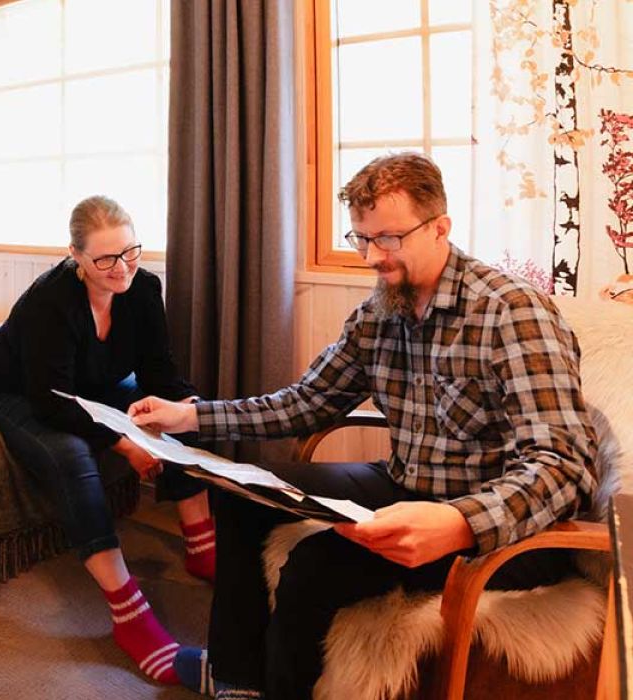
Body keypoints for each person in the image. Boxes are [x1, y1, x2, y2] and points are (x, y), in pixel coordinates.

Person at [128, 153, 598, 699]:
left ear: (440, 228)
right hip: (406, 483)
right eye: (362, 239)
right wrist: (190, 415)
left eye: (389, 239)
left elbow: (564, 466)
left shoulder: (511, 313)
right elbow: (307, 402)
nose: (373, 256)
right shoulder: (381, 312)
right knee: (243, 492)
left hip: (498, 526)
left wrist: (459, 522)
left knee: (313, 564)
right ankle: (238, 677)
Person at [0, 195, 212, 685]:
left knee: (186, 415)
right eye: (105, 259)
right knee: (73, 453)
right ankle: (128, 614)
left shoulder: (144, 288)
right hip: (22, 391)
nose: (121, 267)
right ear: (75, 256)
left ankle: (202, 545)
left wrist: (188, 409)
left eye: (130, 252)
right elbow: (52, 402)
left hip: (91, 386)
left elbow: (159, 372)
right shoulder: (49, 302)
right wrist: (123, 443)